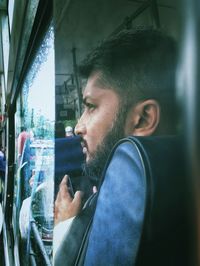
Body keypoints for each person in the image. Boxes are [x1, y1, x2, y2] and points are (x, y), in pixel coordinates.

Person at [54, 28, 179, 263]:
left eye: (91, 106)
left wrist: (65, 229)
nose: (79, 126)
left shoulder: (120, 203)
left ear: (142, 119)